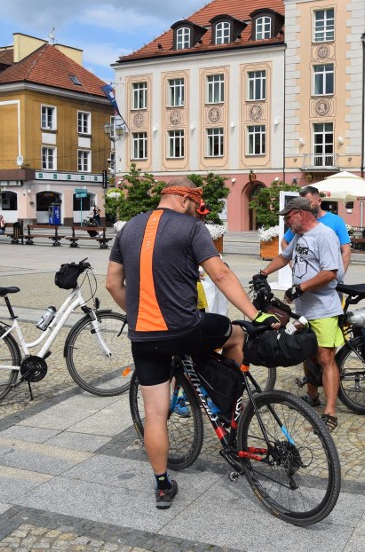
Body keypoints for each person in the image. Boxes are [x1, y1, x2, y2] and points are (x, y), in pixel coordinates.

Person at [105, 177, 277, 510]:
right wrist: (255, 314)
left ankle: (162, 485)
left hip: (144, 337)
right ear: (185, 199)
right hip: (184, 329)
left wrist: (138, 314)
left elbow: (113, 284)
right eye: (196, 207)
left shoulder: (127, 230)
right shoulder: (190, 228)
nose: (197, 214)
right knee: (235, 332)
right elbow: (221, 275)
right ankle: (229, 408)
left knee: (154, 415)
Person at [260, 196, 344, 431]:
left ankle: (330, 411)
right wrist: (263, 272)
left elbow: (330, 272)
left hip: (324, 308)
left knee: (326, 358)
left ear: (300, 214)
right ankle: (312, 396)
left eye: (288, 218)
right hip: (304, 308)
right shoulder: (299, 237)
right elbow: (283, 257)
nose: (286, 223)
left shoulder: (325, 235)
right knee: (307, 353)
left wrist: (301, 287)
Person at [282, 185, 351, 276]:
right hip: (305, 282)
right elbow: (284, 242)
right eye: (302, 204)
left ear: (319, 201)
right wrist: (294, 266)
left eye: (309, 202)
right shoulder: (301, 222)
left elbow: (346, 250)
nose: (305, 206)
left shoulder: (336, 221)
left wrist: (339, 277)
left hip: (328, 279)